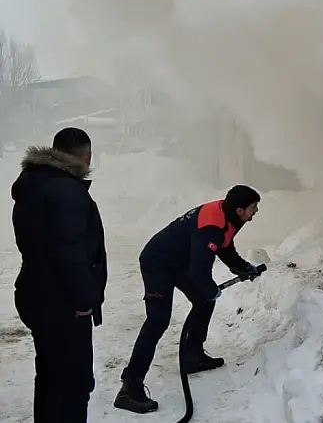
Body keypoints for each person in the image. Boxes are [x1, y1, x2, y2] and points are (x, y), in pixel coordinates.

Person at [114, 185, 264, 414]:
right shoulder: (211, 225)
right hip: (158, 262)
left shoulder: (228, 216)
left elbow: (224, 247)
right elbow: (199, 272)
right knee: (158, 320)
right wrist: (210, 289)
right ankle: (130, 388)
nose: (256, 212)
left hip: (179, 261)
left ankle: (192, 357)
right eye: (254, 208)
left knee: (205, 300)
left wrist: (243, 268)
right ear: (240, 210)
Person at [11, 128, 108, 423]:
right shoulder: (66, 191)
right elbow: (68, 250)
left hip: (37, 295)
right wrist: (84, 301)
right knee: (74, 385)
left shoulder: (35, 184)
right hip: (65, 305)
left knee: (50, 378)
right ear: (86, 157)